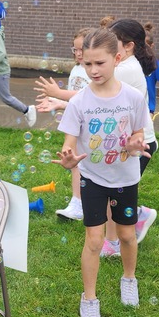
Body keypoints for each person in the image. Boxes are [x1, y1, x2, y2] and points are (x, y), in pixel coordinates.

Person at [54, 28, 151, 317]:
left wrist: (136, 144)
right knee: (94, 241)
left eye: (100, 63)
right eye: (87, 64)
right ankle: (90, 300)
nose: (93, 70)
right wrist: (69, 158)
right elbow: (69, 143)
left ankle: (129, 279)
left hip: (125, 178)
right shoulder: (79, 102)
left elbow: (138, 133)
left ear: (117, 58)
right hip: (93, 179)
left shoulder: (133, 98)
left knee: (126, 236)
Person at [100, 18, 159, 257]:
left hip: (139, 144)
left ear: (129, 45)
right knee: (111, 193)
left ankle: (135, 219)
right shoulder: (126, 65)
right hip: (132, 142)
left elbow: (97, 93)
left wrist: (60, 95)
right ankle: (114, 239)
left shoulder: (127, 69)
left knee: (113, 195)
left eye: (114, 43)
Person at [34, 27, 95, 220]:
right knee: (76, 162)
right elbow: (76, 101)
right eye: (74, 50)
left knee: (89, 166)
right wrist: (60, 104)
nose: (77, 53)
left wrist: (59, 97)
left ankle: (87, 202)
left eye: (81, 49)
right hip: (78, 125)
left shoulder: (93, 72)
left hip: (92, 127)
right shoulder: (77, 69)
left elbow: (90, 98)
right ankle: (77, 203)